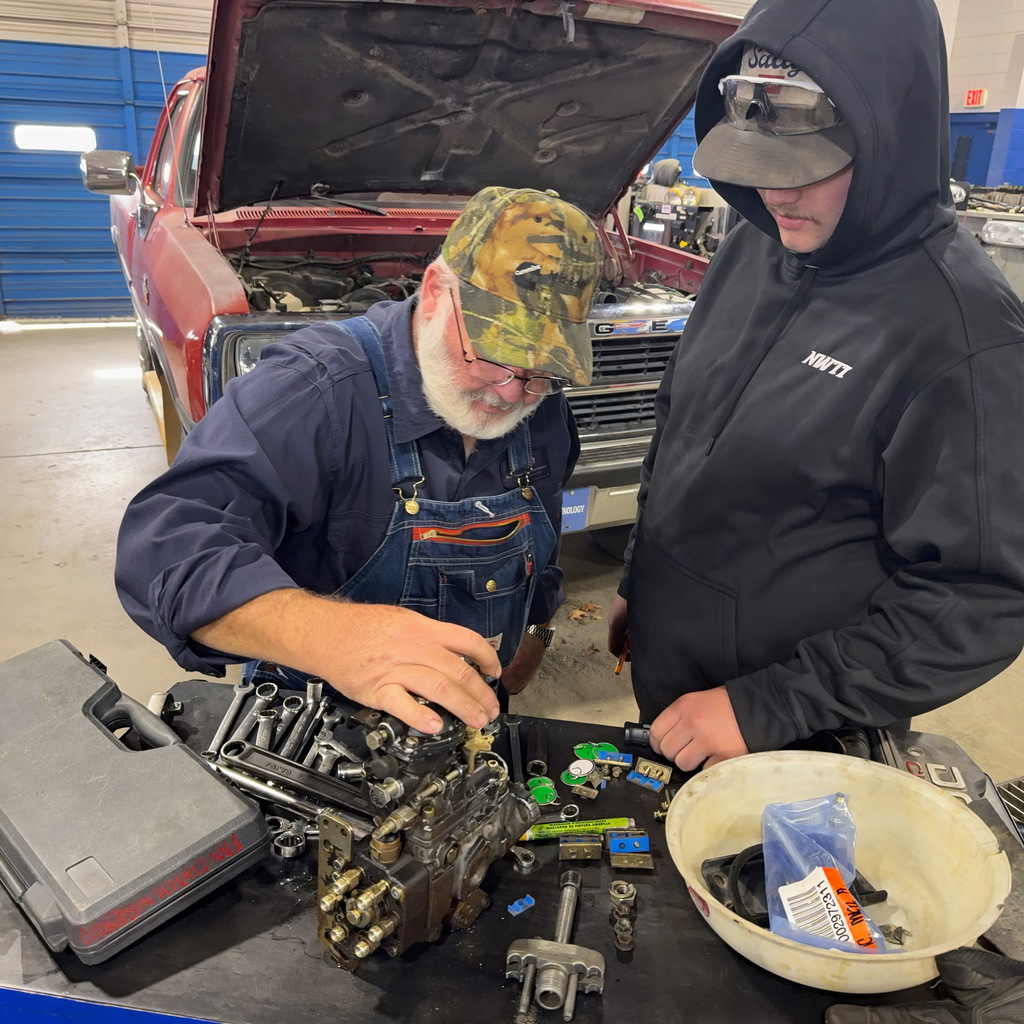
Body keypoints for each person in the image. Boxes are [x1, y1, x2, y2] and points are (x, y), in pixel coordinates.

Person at [608, 0, 1024, 772]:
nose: (776, 196)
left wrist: (767, 706)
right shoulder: (752, 249)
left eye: (803, 169)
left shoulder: (964, 336)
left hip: (796, 741)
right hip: (675, 695)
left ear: (890, 136)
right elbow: (681, 422)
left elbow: (980, 597)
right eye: (757, 165)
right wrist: (644, 571)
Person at [116, 186, 603, 735]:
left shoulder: (543, 408)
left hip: (470, 718)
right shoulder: (316, 388)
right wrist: (333, 636)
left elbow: (544, 534)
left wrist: (537, 627)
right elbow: (162, 547)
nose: (513, 394)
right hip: (315, 733)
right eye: (494, 355)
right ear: (437, 290)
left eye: (541, 370)